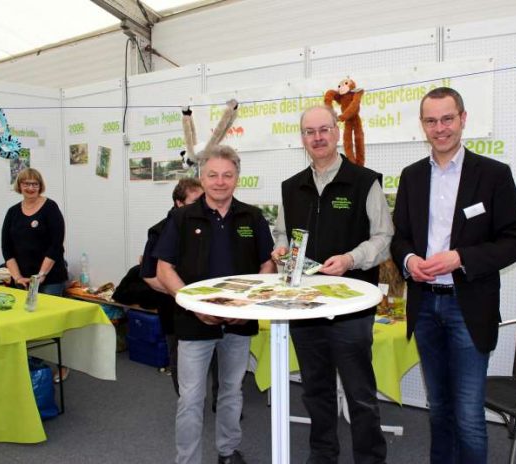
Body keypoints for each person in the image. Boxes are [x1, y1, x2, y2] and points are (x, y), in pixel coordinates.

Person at [390, 87, 516, 464]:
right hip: (425, 304)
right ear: (423, 126)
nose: (440, 128)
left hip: (468, 308)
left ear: (463, 119)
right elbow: (398, 237)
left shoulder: (494, 175)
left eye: (447, 119)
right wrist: (409, 260)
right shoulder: (412, 176)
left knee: (468, 416)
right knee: (439, 409)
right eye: (431, 121)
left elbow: (515, 242)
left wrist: (460, 257)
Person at [271, 105, 392, 464]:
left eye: (324, 129)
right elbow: (282, 234)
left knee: (360, 393)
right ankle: (323, 454)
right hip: (305, 304)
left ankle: (369, 458)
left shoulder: (365, 181)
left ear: (337, 132)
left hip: (351, 306)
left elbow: (384, 237)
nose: (318, 137)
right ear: (302, 138)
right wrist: (280, 250)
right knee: (315, 389)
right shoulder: (291, 188)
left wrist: (352, 259)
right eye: (310, 132)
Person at [153, 145, 275, 464]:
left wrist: (245, 308)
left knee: (232, 392)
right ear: (202, 178)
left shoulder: (253, 216)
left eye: (227, 175)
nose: (220, 182)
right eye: (213, 175)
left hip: (239, 323)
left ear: (237, 179)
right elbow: (164, 269)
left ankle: (227, 450)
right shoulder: (181, 218)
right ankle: (188, 460)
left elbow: (267, 265)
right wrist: (195, 307)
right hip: (194, 323)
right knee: (191, 398)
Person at [1, 167, 69, 381]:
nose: (30, 188)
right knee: (26, 325)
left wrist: (41, 274)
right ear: (19, 186)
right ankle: (32, 368)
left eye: (35, 184)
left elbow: (56, 245)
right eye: (26, 184)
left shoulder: (50, 208)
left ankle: (62, 365)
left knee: (50, 325)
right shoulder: (12, 212)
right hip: (22, 279)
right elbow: (6, 248)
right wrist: (17, 276)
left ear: (40, 186)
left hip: (49, 277)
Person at [140, 177, 203, 395]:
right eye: (195, 201)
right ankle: (185, 400)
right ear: (179, 203)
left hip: (205, 306)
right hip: (174, 308)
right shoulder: (159, 231)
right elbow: (149, 275)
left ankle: (218, 403)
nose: (202, 205)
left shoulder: (209, 225)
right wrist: (182, 294)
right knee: (180, 358)